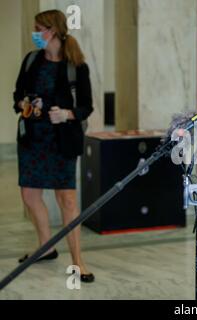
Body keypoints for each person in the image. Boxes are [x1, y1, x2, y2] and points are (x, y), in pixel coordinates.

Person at [13, 10, 94, 283]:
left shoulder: (76, 66)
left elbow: (86, 106)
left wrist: (68, 114)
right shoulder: (31, 60)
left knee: (67, 200)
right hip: (32, 139)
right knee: (29, 195)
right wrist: (25, 106)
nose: (35, 34)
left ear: (54, 31)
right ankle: (46, 247)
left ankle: (78, 261)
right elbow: (17, 96)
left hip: (62, 141)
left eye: (39, 29)